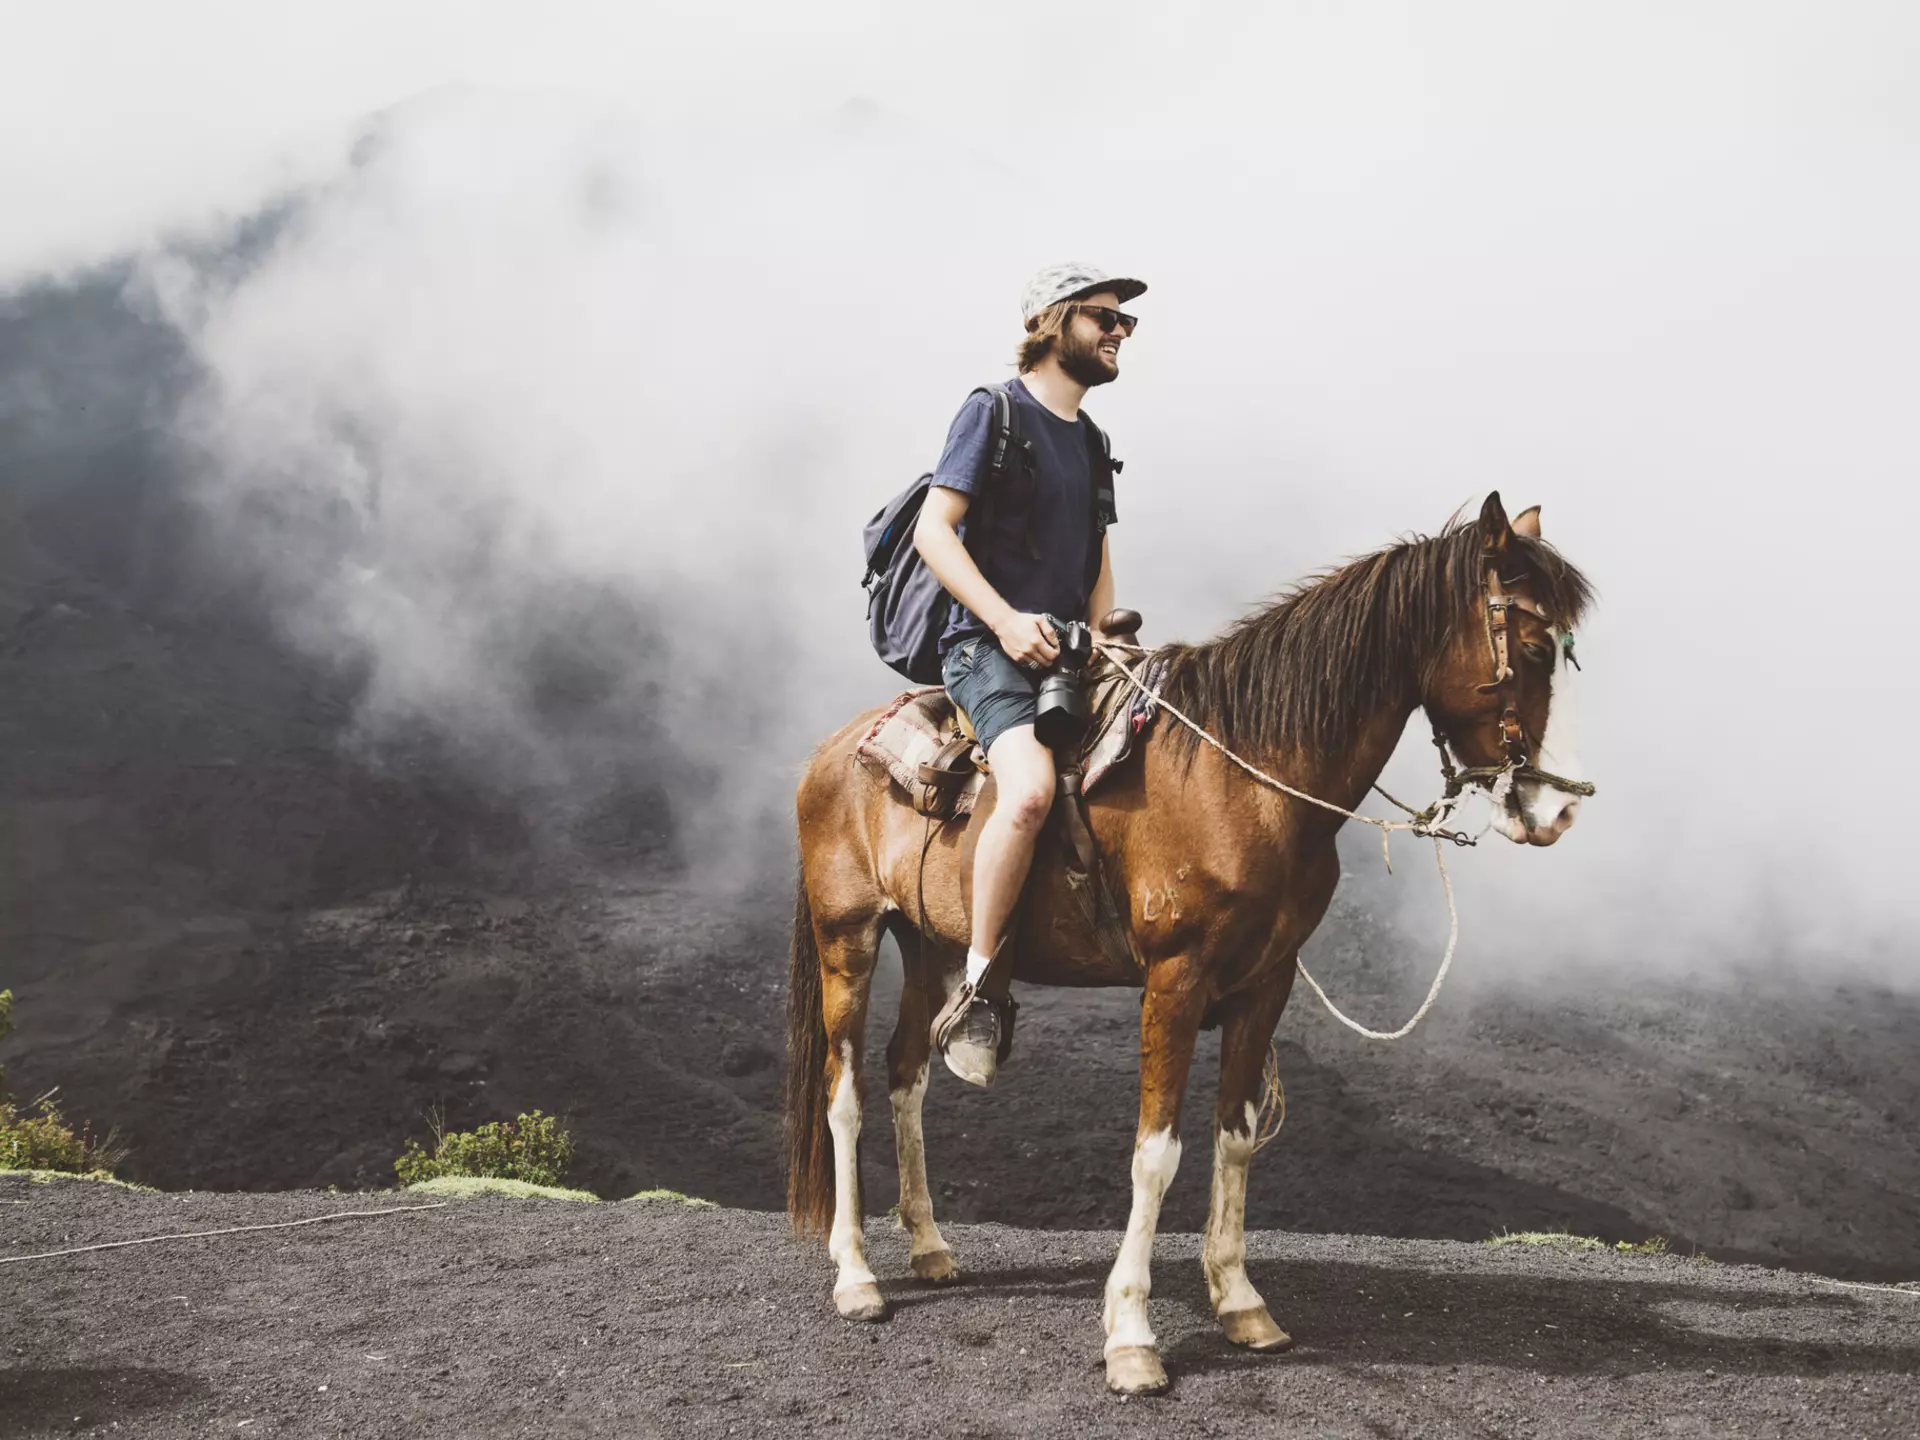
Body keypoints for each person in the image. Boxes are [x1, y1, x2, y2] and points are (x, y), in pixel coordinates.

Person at [912, 262, 1145, 1087]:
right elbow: (935, 533)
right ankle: (977, 989)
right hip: (984, 646)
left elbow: (1097, 558)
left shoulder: (1092, 440)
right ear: (1053, 322)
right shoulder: (994, 411)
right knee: (1033, 791)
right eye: (1104, 318)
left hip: (1072, 654)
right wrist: (1006, 621)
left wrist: (1106, 638)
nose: (1120, 332)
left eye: (1127, 324)